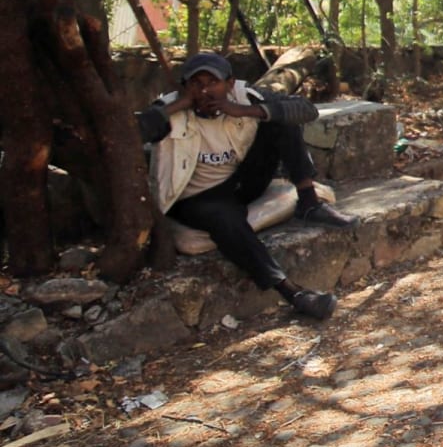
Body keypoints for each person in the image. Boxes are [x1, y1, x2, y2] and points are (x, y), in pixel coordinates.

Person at [136, 52, 355, 320]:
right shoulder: (170, 108)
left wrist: (243, 111)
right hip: (194, 199)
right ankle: (293, 293)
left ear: (229, 84)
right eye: (196, 84)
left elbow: (306, 110)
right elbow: (135, 131)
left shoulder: (245, 96)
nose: (205, 91)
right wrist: (181, 103)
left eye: (213, 83)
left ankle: (309, 204)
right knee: (224, 219)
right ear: (185, 87)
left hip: (239, 184)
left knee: (281, 121)